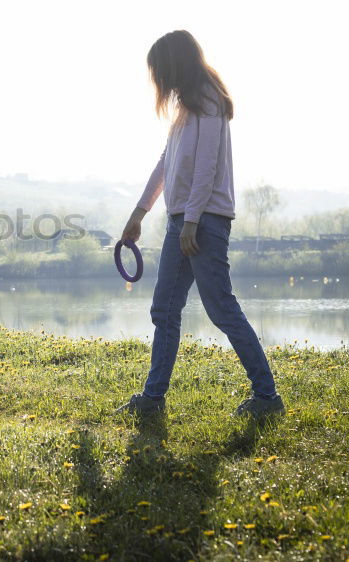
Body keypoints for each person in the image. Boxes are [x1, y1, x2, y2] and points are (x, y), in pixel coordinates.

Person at [117, 30, 284, 418]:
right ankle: (153, 399)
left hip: (204, 222)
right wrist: (139, 213)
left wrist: (192, 220)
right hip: (183, 222)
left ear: (175, 64)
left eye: (159, 68)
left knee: (221, 308)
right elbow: (165, 163)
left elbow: (207, 165)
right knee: (164, 309)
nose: (157, 78)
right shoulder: (185, 106)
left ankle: (267, 398)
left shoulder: (207, 98)